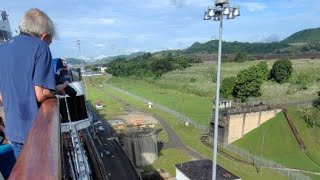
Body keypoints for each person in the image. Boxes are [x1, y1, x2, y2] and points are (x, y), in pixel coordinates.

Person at [0, 8, 67, 160]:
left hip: (13, 131)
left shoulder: (2, 49)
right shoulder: (40, 47)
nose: (48, 46)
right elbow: (41, 93)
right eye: (49, 42)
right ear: (44, 36)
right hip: (35, 130)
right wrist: (57, 90)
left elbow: (2, 96)